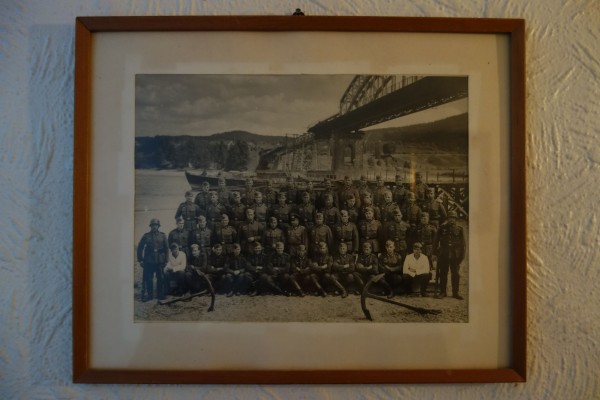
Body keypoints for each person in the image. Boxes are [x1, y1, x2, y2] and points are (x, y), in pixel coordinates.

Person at [433, 210, 466, 300]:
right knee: (443, 273)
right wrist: (434, 253)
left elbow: (463, 244)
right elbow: (436, 241)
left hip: (455, 256)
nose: (452, 219)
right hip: (444, 254)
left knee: (455, 274)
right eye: (450, 218)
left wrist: (462, 256)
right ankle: (443, 292)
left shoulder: (460, 229)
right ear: (447, 218)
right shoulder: (442, 228)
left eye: (454, 218)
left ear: (456, 219)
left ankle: (456, 292)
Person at [136, 218, 169, 302]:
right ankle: (150, 295)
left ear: (158, 226)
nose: (155, 227)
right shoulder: (146, 236)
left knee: (160, 278)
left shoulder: (163, 235)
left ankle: (160, 294)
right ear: (151, 226)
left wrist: (166, 260)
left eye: (156, 225)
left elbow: (166, 249)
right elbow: (140, 248)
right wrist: (141, 260)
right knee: (149, 278)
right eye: (153, 225)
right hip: (149, 260)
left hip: (160, 260)